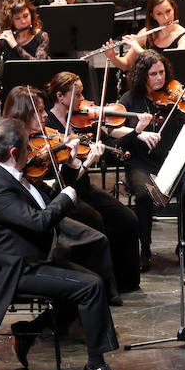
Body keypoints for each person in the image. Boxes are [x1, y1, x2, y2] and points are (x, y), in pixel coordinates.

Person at [0, 118, 120, 370]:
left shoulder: (19, 175)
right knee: (90, 287)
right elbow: (40, 221)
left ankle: (29, 330)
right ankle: (95, 365)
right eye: (27, 146)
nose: (33, 150)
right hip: (18, 270)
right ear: (13, 153)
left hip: (34, 258)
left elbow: (53, 195)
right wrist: (66, 197)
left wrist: (73, 166)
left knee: (92, 282)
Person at [1, 86, 123, 305]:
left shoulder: (41, 137)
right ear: (22, 115)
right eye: (39, 111)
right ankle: (89, 290)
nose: (45, 114)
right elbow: (38, 189)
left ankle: (103, 287)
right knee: (92, 220)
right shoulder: (12, 149)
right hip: (39, 214)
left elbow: (62, 182)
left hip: (54, 198)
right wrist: (77, 166)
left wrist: (72, 161)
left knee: (96, 222)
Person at [45, 72, 142, 292]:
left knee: (128, 219)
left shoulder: (83, 122)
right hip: (66, 194)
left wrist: (136, 131)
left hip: (85, 188)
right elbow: (61, 178)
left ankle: (126, 282)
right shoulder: (50, 128)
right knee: (96, 221)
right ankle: (104, 288)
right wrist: (88, 161)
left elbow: (113, 146)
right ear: (60, 96)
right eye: (77, 94)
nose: (82, 99)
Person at [117, 50, 185, 271]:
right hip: (141, 163)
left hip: (172, 161)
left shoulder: (174, 97)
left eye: (162, 72)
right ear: (142, 76)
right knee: (144, 196)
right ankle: (145, 247)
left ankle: (184, 245)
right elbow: (114, 132)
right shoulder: (129, 100)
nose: (159, 78)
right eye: (153, 74)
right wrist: (137, 131)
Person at [105, 0, 185, 72]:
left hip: (172, 87)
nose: (166, 18)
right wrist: (113, 57)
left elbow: (169, 67)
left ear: (174, 9)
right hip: (148, 87)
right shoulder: (146, 33)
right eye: (159, 14)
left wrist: (141, 52)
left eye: (168, 11)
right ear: (153, 16)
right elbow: (127, 65)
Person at [0, 0, 49, 73]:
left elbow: (39, 67)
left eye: (26, 16)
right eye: (17, 18)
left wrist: (15, 46)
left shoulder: (41, 37)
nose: (23, 21)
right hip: (11, 83)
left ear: (31, 15)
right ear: (11, 20)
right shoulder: (6, 37)